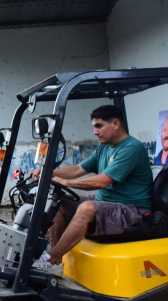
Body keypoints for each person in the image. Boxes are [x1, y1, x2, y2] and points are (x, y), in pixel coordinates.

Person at [28, 105, 153, 276]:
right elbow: (79, 169)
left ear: (115, 124)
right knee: (57, 203)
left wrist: (65, 182)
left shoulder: (131, 148)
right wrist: (46, 173)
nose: (95, 132)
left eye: (99, 126)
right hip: (109, 202)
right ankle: (56, 261)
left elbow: (102, 182)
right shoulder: (105, 147)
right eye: (94, 127)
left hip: (133, 210)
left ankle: (51, 258)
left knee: (87, 208)